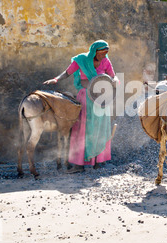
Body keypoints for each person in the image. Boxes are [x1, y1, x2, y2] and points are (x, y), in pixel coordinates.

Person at [44, 40, 118, 173]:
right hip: (85, 98)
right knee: (82, 129)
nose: (103, 56)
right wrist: (56, 79)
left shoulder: (106, 61)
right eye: (101, 53)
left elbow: (113, 76)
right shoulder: (81, 59)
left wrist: (115, 80)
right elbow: (67, 72)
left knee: (99, 129)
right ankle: (79, 165)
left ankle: (98, 162)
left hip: (100, 100)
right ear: (94, 51)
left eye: (106, 53)